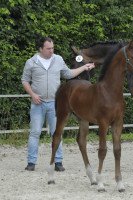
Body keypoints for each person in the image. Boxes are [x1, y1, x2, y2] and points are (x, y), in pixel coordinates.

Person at [21, 37, 95, 172]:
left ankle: (58, 162)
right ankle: (31, 162)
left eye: (52, 48)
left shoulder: (58, 60)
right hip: (38, 102)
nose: (51, 50)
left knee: (57, 132)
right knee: (35, 132)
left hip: (56, 103)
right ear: (41, 49)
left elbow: (68, 74)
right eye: (48, 48)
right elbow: (25, 80)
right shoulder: (31, 62)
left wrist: (84, 67)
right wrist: (32, 94)